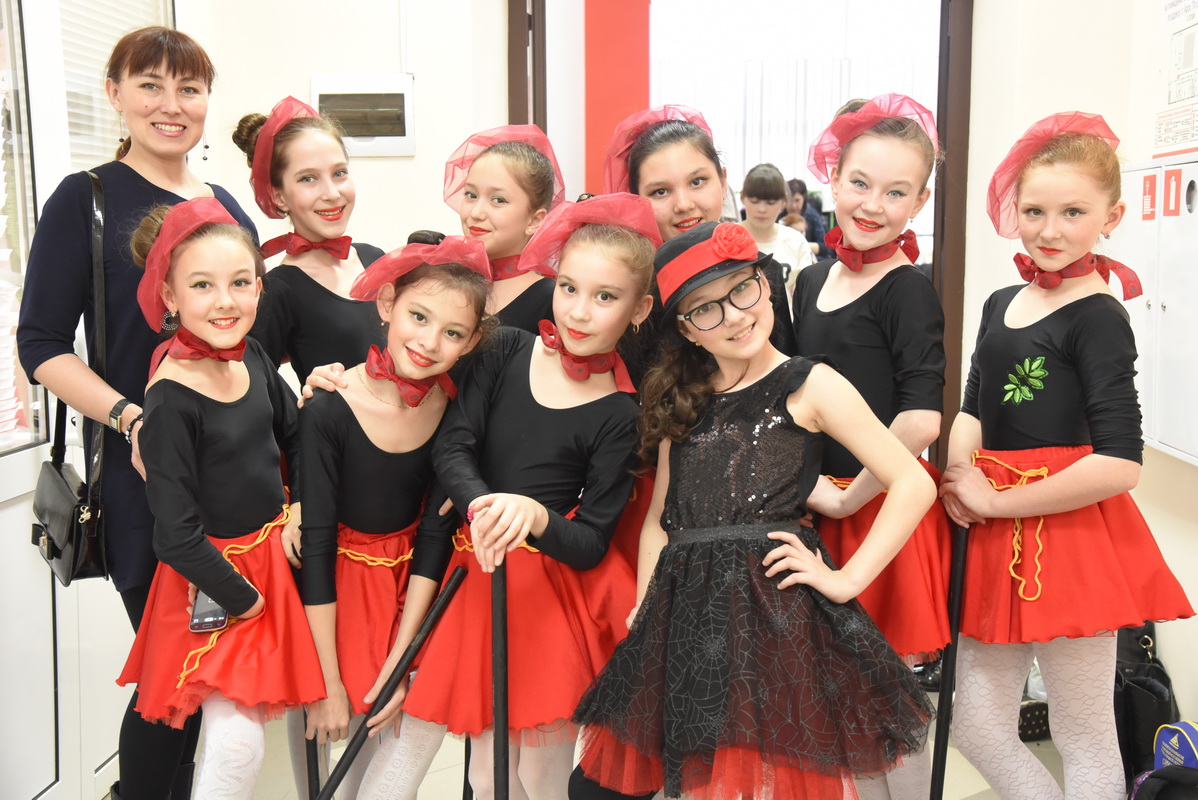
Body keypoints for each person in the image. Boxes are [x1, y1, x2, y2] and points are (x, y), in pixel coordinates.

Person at [571, 221, 936, 800]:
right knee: (630, 781)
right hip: (683, 611)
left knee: (761, 780)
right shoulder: (682, 396)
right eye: (706, 309)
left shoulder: (810, 384)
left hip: (771, 613)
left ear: (766, 285)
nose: (734, 316)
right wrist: (644, 604)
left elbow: (912, 483)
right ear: (686, 329)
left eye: (742, 290)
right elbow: (661, 519)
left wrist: (845, 580)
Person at [15, 27, 257, 800]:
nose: (170, 105)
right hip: (146, 482)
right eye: (150, 85)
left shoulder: (225, 206)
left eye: (189, 88)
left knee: (215, 686)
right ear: (114, 94)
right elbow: (41, 344)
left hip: (238, 484)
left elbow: (249, 338)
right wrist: (130, 418)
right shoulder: (85, 199)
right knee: (172, 683)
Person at [939, 112, 1194, 800]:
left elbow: (1120, 462)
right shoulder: (999, 302)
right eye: (1034, 211)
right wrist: (961, 477)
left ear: (1112, 217)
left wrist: (998, 500)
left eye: (1072, 212)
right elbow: (972, 407)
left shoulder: (1100, 316)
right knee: (975, 725)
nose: (1049, 230)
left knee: (1082, 733)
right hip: (991, 528)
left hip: (1071, 537)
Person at [400, 193, 659, 800]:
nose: (580, 312)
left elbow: (590, 542)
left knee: (540, 777)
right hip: (481, 572)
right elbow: (453, 448)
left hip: (549, 597)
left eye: (605, 297)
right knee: (485, 775)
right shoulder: (508, 348)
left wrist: (535, 514)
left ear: (639, 309)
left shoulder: (620, 412)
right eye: (569, 288)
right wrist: (484, 505)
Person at [116, 198, 324, 800]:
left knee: (264, 728)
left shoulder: (253, 355)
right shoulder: (170, 400)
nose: (225, 301)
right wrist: (249, 602)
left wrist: (300, 508)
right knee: (229, 740)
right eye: (202, 286)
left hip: (272, 559)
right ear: (170, 296)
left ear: (259, 287)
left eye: (240, 282)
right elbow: (175, 535)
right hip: (215, 582)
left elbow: (295, 437)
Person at [795, 93, 952, 798]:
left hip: (881, 510)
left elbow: (920, 422)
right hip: (819, 509)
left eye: (896, 192)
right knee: (840, 704)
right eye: (859, 182)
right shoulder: (808, 280)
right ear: (833, 177)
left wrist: (847, 497)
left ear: (919, 202)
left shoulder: (908, 290)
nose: (872, 204)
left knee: (891, 703)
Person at [298, 237, 492, 799]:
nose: (429, 342)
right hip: (334, 599)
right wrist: (327, 681)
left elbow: (434, 533)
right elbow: (316, 543)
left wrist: (403, 660)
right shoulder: (330, 407)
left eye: (452, 332)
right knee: (327, 764)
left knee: (386, 769)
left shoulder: (454, 414)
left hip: (415, 595)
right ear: (387, 304)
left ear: (472, 341)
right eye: (418, 317)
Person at [602, 105, 797, 357]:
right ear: (636, 201)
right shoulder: (631, 291)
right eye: (660, 191)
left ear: (723, 182)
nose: (684, 205)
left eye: (697, 182)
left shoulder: (762, 272)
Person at [233, 96, 386, 383]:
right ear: (279, 196)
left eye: (339, 173)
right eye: (308, 179)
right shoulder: (277, 290)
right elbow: (254, 389)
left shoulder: (376, 258)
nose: (332, 193)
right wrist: (307, 398)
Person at [444, 123, 565, 333]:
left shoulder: (553, 300)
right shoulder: (444, 280)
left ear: (534, 220)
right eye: (471, 195)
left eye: (498, 200)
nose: (476, 213)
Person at [738, 162, 816, 300]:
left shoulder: (795, 241)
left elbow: (807, 294)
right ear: (742, 198)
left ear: (783, 202)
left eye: (770, 203)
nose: (762, 209)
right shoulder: (726, 238)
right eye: (755, 201)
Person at [788, 177, 831, 259]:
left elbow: (825, 248)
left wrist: (800, 245)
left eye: (797, 200)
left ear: (804, 198)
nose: (793, 205)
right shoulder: (780, 214)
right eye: (789, 200)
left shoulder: (813, 216)